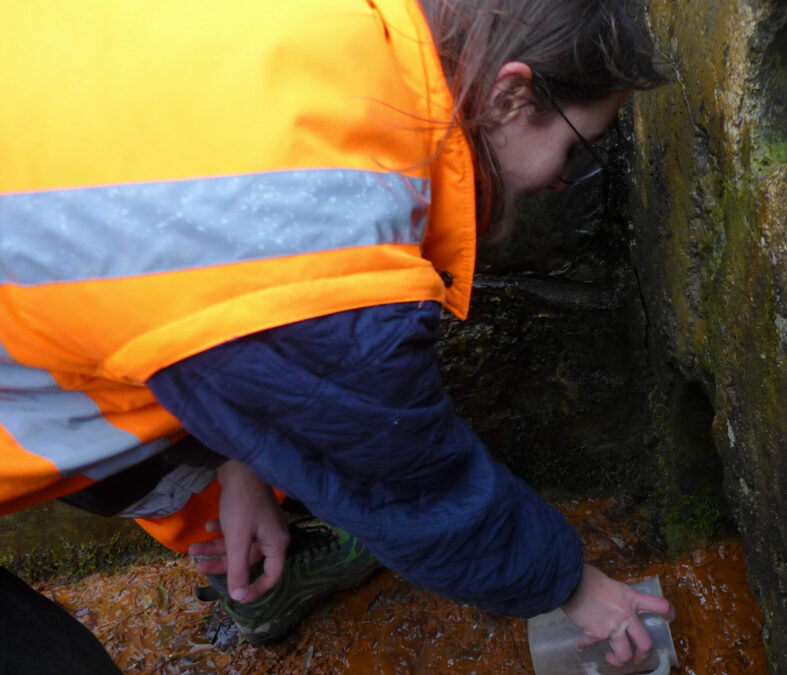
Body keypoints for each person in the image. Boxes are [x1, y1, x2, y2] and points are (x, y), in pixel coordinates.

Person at [0, 0, 673, 669]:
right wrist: (575, 588)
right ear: (509, 93)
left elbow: (156, 250)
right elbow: (414, 484)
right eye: (575, 147)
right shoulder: (322, 231)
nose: (563, 177)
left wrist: (241, 467)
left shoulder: (336, 38)